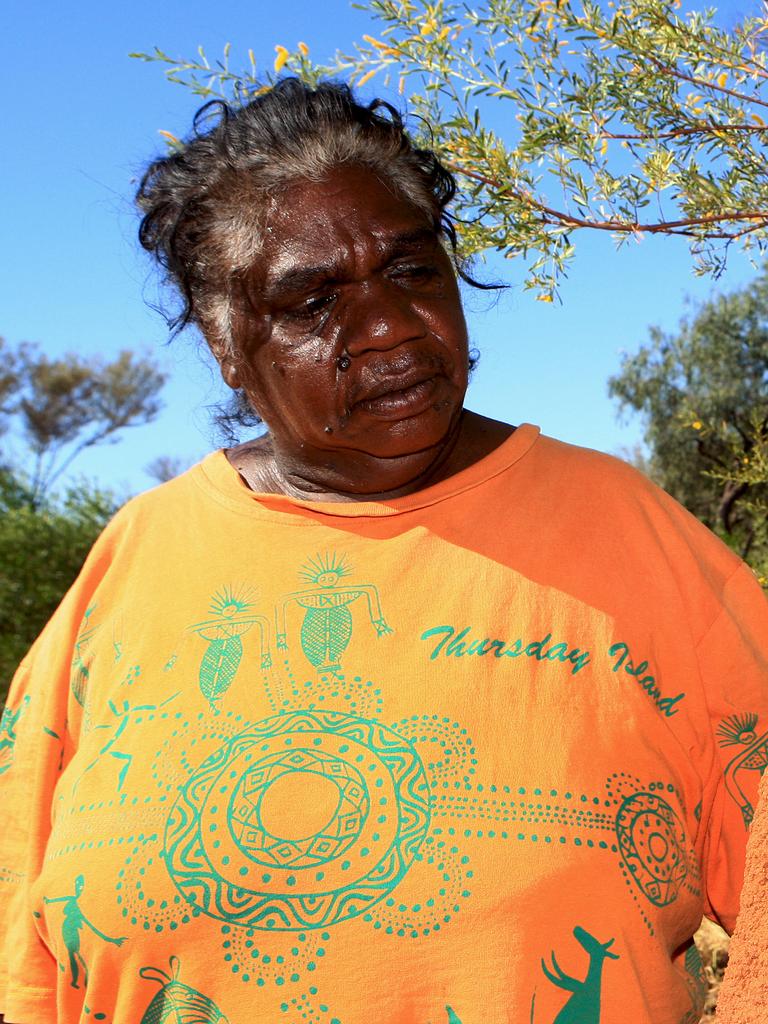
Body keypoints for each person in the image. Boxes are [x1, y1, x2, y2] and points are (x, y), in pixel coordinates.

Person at [0, 78, 766, 1024]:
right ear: (225, 344)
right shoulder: (136, 559)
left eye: (412, 273)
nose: (390, 327)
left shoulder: (625, 534)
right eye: (313, 302)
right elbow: (21, 937)